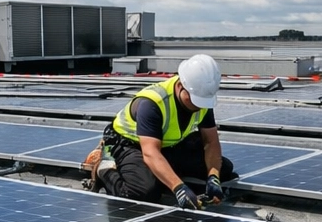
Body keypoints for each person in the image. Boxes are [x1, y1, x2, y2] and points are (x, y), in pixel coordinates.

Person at [98, 53, 237, 208]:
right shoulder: (152, 103)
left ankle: (162, 175)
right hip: (129, 145)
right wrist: (179, 188)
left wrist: (213, 177)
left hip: (166, 146)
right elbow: (150, 153)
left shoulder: (202, 102)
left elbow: (210, 142)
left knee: (223, 169)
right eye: (194, 99)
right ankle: (105, 168)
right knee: (145, 192)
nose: (198, 106)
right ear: (180, 86)